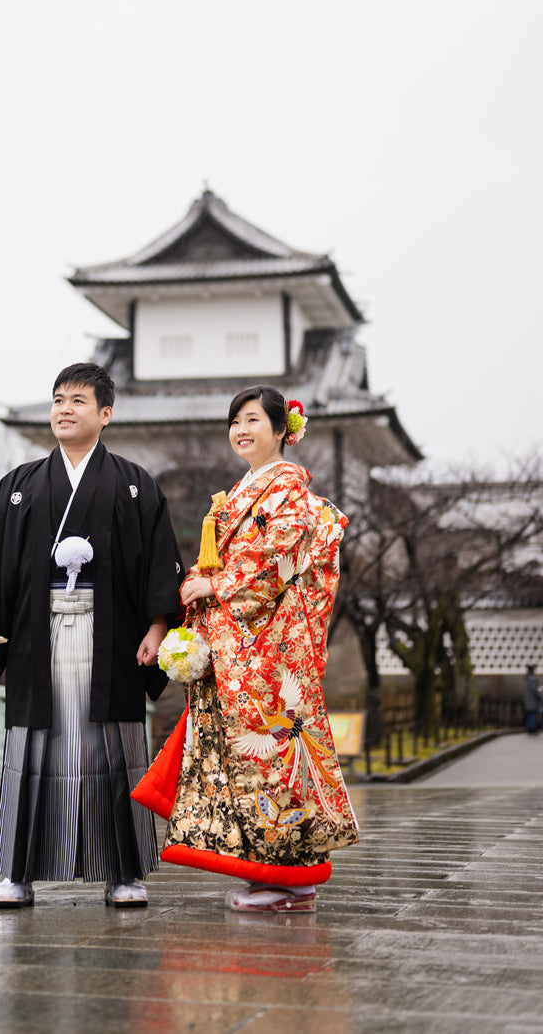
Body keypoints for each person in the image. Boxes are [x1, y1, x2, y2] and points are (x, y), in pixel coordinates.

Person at [0, 362, 182, 909]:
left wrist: (159, 628)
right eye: (57, 400)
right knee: (31, 748)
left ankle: (125, 871)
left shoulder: (136, 485)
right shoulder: (19, 487)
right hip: (35, 638)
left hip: (113, 639)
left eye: (77, 401)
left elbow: (160, 566)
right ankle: (17, 873)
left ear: (106, 414)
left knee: (114, 747)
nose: (63, 410)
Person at [159, 386, 358, 912]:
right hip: (241, 644)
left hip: (268, 649)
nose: (241, 430)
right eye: (235, 422)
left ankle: (288, 875)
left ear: (281, 431)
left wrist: (217, 587)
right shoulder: (243, 490)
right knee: (249, 753)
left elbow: (276, 560)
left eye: (253, 420)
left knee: (268, 751)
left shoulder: (288, 490)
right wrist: (200, 584)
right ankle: (274, 872)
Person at [524, 665, 542, 734]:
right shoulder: (532, 679)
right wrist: (540, 696)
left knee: (530, 714)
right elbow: (535, 690)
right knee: (532, 714)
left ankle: (530, 727)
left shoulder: (527, 679)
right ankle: (532, 728)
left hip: (529, 701)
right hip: (532, 701)